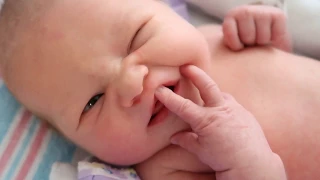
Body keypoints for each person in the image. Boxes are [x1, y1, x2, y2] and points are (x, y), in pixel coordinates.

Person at [0, 0, 319, 179]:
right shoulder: (168, 166)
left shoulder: (213, 37)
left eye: (136, 38)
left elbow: (287, 74)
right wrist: (250, 166)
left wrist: (271, 41)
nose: (131, 85)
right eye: (93, 102)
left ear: (169, 12)